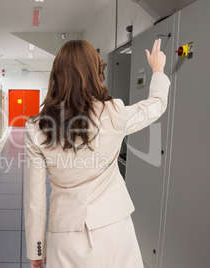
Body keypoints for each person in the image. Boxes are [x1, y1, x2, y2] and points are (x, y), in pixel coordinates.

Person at [24, 39, 169, 268]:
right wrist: (158, 70)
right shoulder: (115, 113)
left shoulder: (37, 127)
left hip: (65, 234)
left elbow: (35, 198)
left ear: (56, 76)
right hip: (114, 229)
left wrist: (36, 249)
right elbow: (156, 105)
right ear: (95, 72)